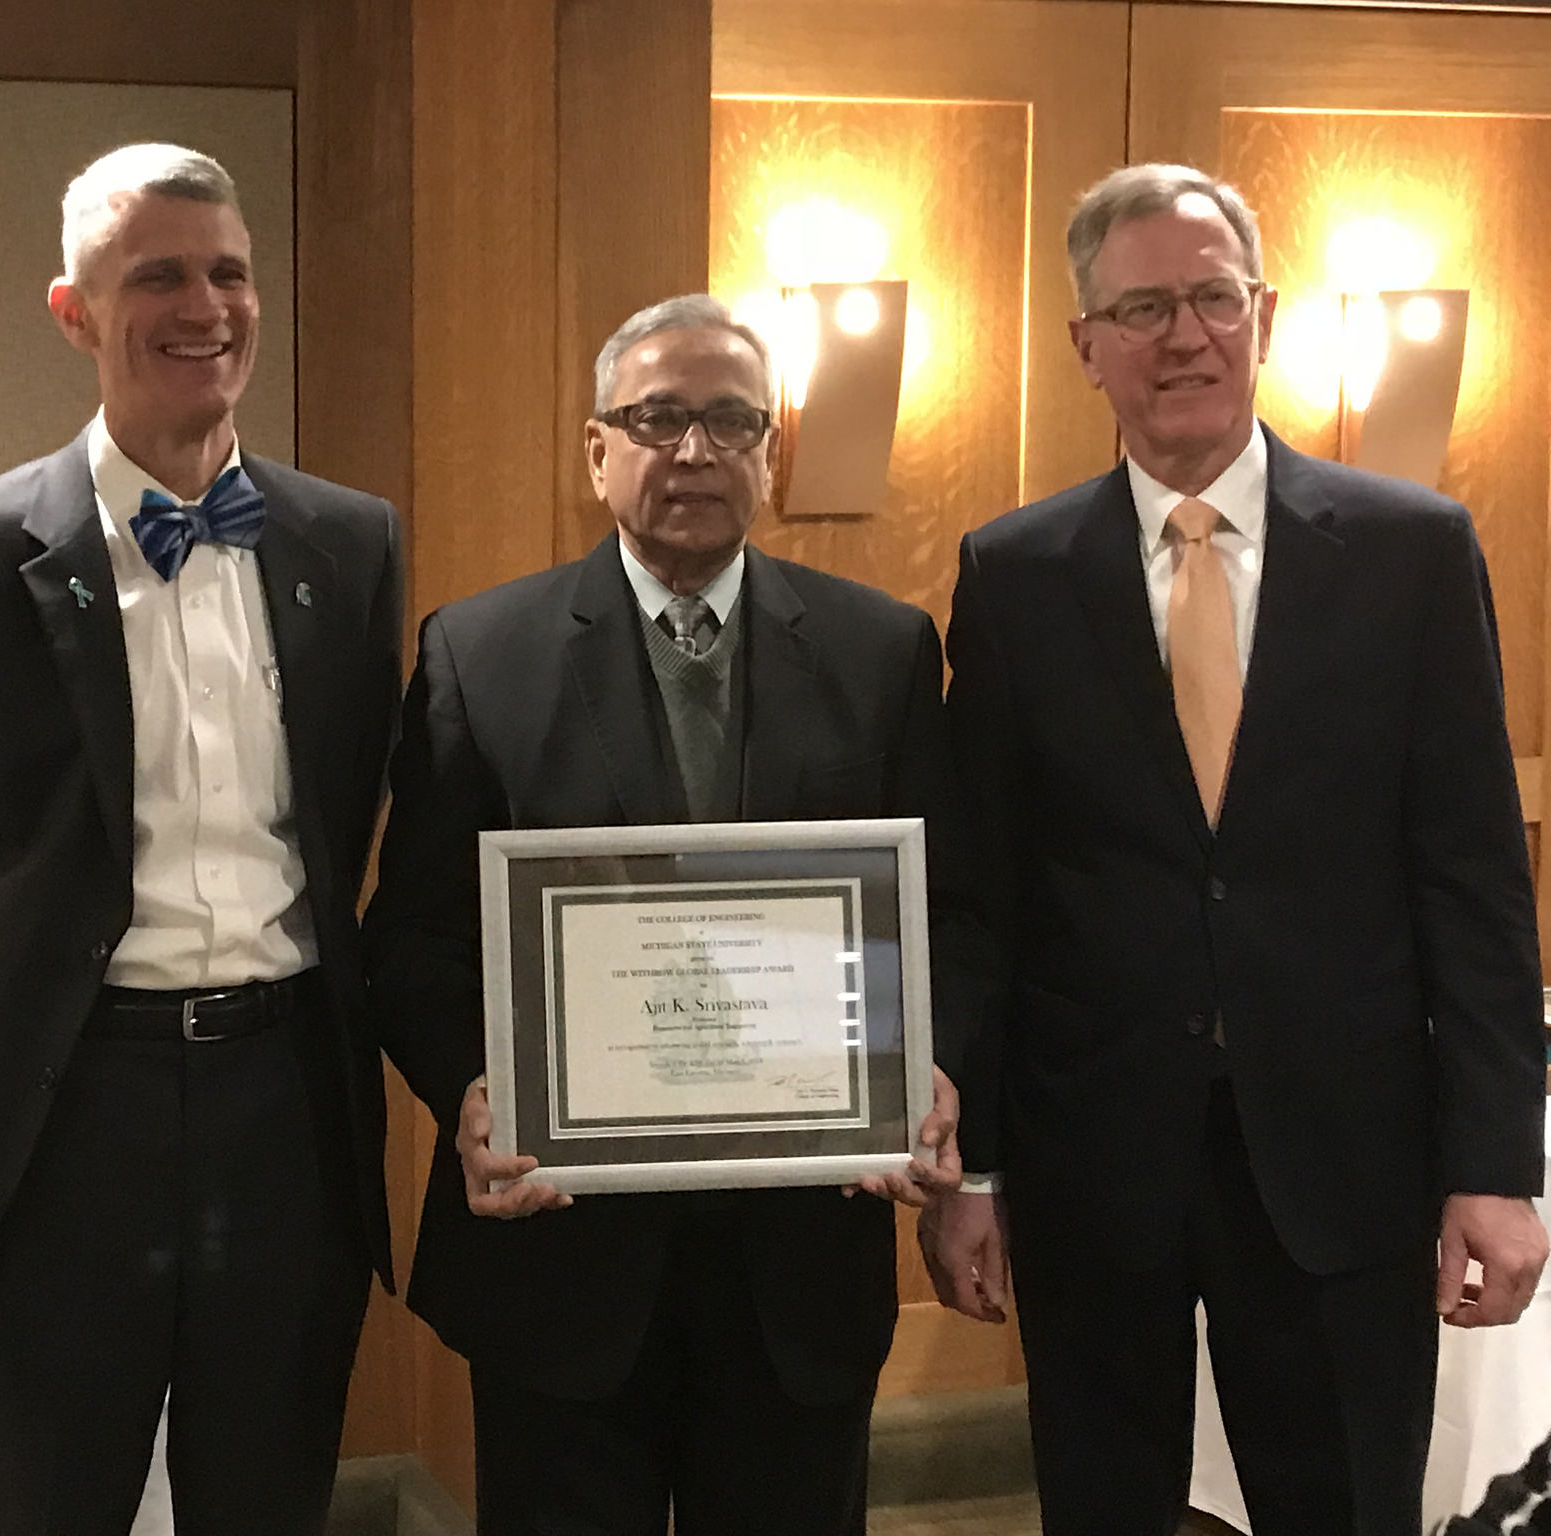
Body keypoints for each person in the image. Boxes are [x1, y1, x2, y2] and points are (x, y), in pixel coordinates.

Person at [923, 162, 1550, 1536]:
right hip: (1097, 1165)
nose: (1184, 336)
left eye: (1212, 297)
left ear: (1264, 316)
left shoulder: (1413, 554)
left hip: (1346, 1163)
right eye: (1141, 306)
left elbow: (1476, 886)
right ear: (1085, 345)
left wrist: (1496, 1167)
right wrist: (971, 1173)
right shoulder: (1015, 574)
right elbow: (982, 896)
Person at [0, 143, 403, 1536]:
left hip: (288, 1118)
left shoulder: (350, 542)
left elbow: (353, 817)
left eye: (228, 272)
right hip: (61, 1120)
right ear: (75, 310)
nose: (203, 306)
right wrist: (28, 1005)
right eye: (158, 275)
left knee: (267, 1501)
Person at [365, 293, 959, 1536]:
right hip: (559, 1267)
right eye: (657, 418)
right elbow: (413, 939)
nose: (694, 451)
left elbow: (942, 912)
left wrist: (929, 1065)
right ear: (597, 451)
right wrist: (472, 1088)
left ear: (771, 452)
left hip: (800, 1259)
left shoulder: (881, 652)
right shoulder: (482, 653)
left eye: (729, 421)